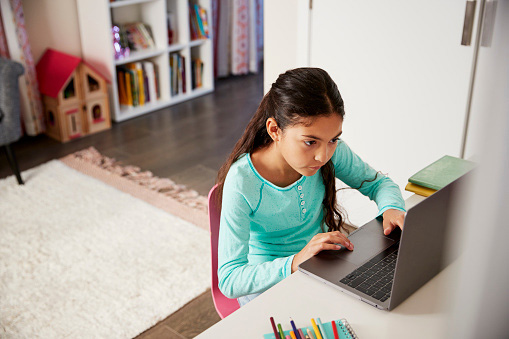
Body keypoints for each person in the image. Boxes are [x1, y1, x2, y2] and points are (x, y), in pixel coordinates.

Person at [215, 68, 406, 307]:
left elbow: (379, 183)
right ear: (275, 130)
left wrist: (391, 208)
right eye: (310, 142)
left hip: (323, 268)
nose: (323, 156)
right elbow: (230, 280)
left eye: (333, 139)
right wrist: (296, 261)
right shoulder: (242, 181)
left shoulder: (329, 151)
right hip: (268, 289)